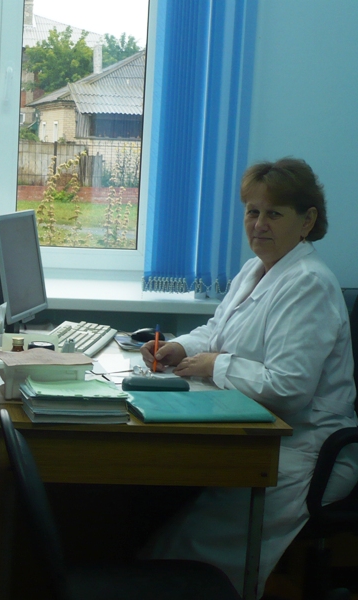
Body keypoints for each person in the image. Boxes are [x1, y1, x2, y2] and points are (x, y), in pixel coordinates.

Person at [139, 158, 358, 595]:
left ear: (307, 221)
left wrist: (214, 365)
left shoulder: (309, 283)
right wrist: (181, 347)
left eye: (274, 213)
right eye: (252, 211)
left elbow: (288, 389)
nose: (259, 224)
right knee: (162, 529)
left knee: (188, 555)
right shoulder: (256, 269)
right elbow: (216, 332)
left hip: (303, 451)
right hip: (257, 434)